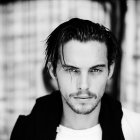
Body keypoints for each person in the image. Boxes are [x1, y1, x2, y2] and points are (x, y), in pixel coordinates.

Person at [10, 18, 140, 140]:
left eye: (95, 70)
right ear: (52, 70)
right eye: (72, 70)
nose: (84, 85)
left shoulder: (134, 129)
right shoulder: (26, 132)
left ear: (110, 70)